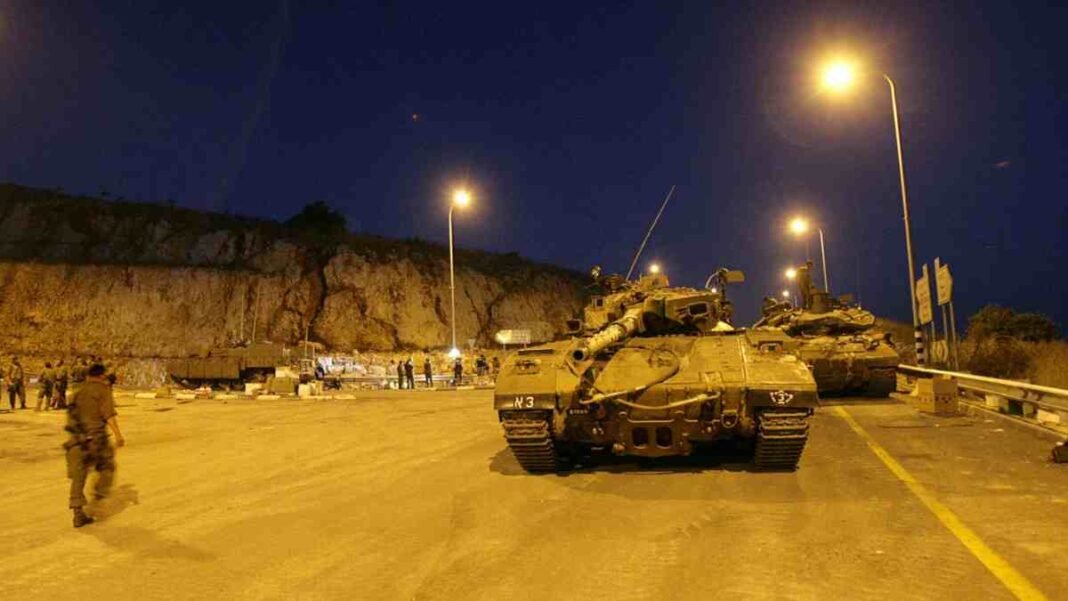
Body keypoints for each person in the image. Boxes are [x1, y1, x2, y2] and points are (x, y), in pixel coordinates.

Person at [64, 363, 125, 528]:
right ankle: (98, 495)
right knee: (107, 466)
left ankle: (78, 513)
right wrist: (118, 436)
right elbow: (109, 416)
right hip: (96, 440)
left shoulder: (76, 393)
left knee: (79, 477)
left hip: (76, 441)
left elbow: (70, 418)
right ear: (101, 376)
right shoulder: (103, 391)